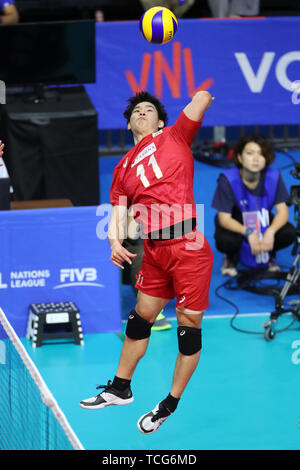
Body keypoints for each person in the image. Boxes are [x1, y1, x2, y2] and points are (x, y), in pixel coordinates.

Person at [80, 90, 214, 434]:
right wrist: (113, 239)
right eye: (136, 110)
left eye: (149, 109)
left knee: (188, 330)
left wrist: (199, 97)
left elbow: (200, 99)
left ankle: (169, 403)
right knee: (140, 319)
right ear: (128, 123)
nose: (141, 112)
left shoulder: (175, 135)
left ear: (160, 121)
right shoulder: (122, 168)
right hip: (153, 252)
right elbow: (120, 213)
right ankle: (120, 388)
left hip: (188, 246)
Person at [211, 134, 297, 277]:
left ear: (266, 159)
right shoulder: (227, 179)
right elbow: (224, 218)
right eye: (250, 153)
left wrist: (270, 232)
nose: (256, 158)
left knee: (289, 233)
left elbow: (283, 212)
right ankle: (231, 256)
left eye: (261, 154)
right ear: (239, 157)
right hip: (237, 219)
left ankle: (268, 253)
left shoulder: (274, 176)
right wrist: (249, 233)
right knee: (225, 241)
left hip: (262, 218)